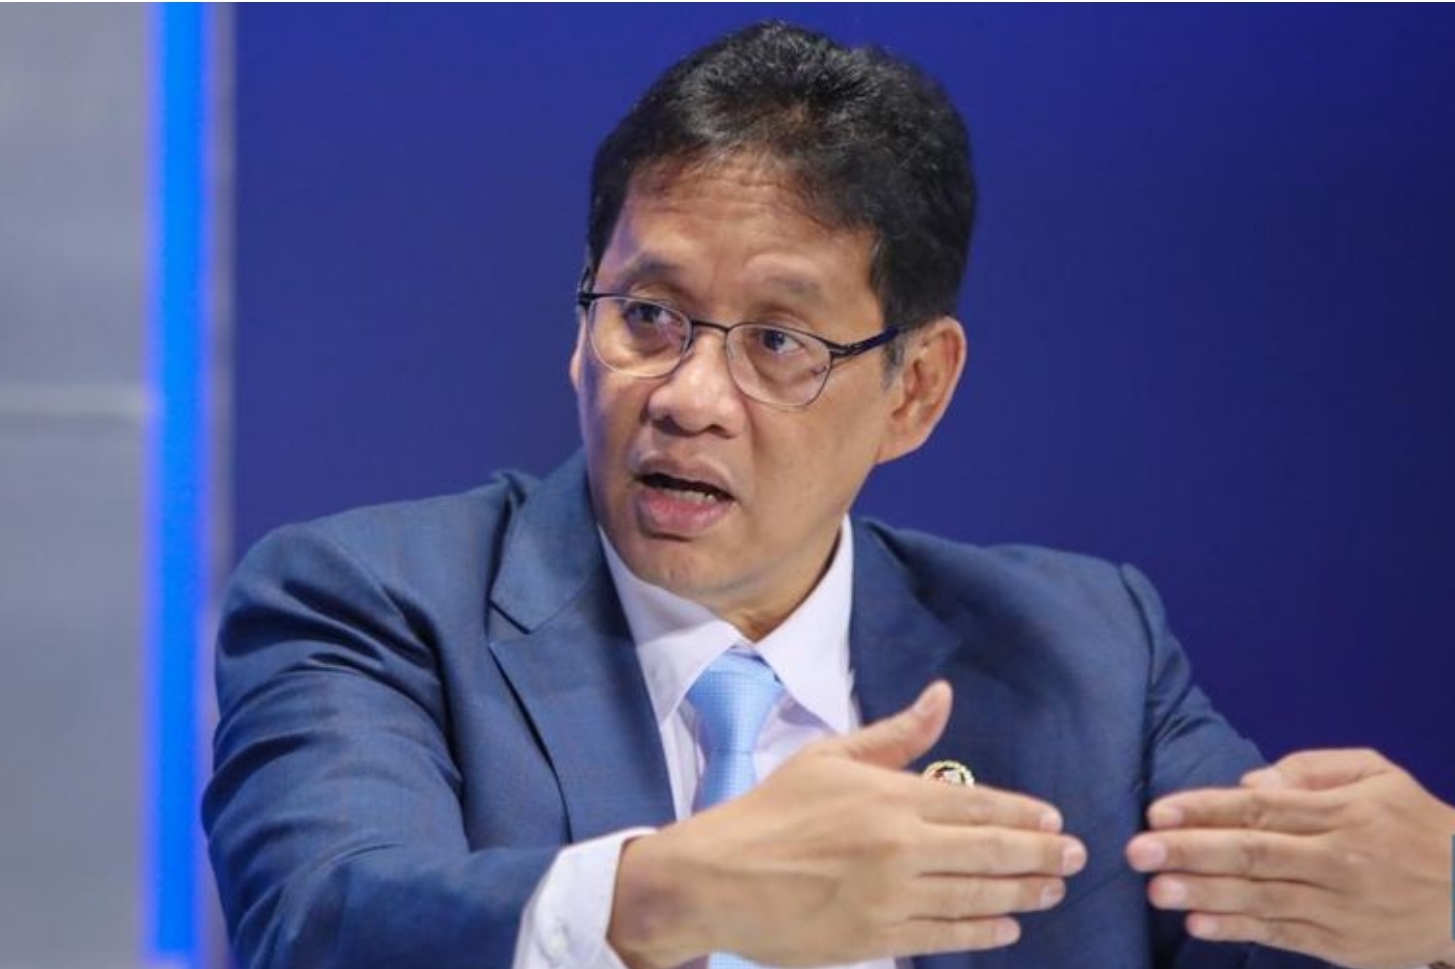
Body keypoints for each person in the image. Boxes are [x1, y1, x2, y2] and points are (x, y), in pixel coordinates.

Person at [202, 21, 1455, 969]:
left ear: (916, 390)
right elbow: (321, 923)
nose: (689, 395)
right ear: (582, 324)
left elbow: (1281, 936)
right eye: (648, 315)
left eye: (777, 343)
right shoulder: (374, 602)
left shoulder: (1080, 656)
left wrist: (1437, 915)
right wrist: (677, 892)